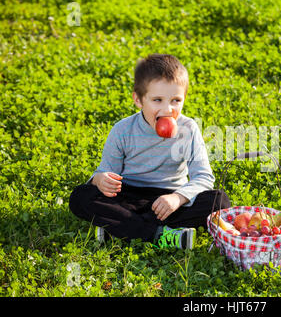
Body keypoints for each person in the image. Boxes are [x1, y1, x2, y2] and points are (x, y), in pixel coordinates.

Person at [69, 54, 231, 249]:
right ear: (139, 100)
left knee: (219, 201)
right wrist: (100, 179)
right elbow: (104, 172)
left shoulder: (188, 129)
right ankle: (158, 235)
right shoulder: (123, 130)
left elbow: (204, 177)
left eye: (176, 100)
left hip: (169, 200)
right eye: (157, 100)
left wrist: (177, 198)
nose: (168, 109)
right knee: (81, 196)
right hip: (128, 197)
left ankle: (119, 229)